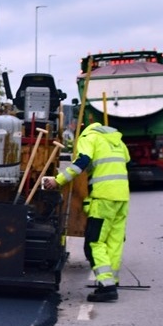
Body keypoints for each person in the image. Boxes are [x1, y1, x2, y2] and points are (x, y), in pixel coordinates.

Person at [42, 122, 130, 302]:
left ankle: (106, 287)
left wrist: (58, 180)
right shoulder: (117, 141)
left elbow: (82, 161)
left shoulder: (89, 138)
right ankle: (111, 280)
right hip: (122, 197)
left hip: (103, 198)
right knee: (114, 241)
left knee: (94, 242)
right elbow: (126, 160)